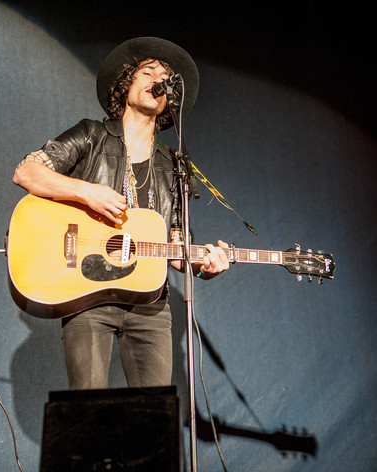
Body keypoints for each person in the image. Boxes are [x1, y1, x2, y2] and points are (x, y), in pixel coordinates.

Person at [12, 37, 230, 390]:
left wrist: (204, 267)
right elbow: (26, 172)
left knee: (155, 419)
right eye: (148, 71)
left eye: (165, 77)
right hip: (87, 295)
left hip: (150, 305)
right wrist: (86, 191)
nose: (157, 80)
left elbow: (175, 247)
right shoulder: (92, 135)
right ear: (126, 82)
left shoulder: (173, 166)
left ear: (169, 100)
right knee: (87, 412)